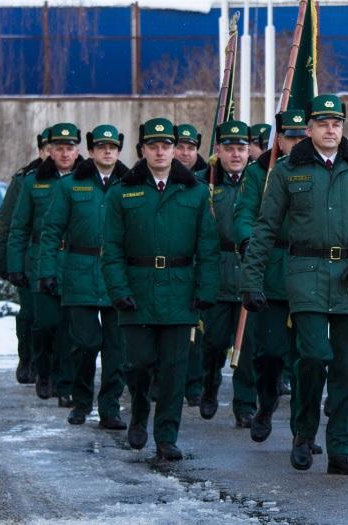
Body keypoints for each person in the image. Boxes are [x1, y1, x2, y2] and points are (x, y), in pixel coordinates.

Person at [239, 94, 348, 475]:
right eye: (322, 123)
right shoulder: (288, 171)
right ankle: (303, 433)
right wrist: (252, 282)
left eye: (336, 123)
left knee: (346, 368)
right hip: (305, 274)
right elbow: (265, 228)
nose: (330, 130)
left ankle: (341, 448)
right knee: (312, 357)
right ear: (309, 129)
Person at [102, 117, 219, 461]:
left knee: (173, 368)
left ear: (173, 150)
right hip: (137, 291)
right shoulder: (124, 191)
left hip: (179, 292)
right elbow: (111, 248)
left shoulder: (196, 192)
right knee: (137, 363)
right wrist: (118, 289)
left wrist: (205, 289)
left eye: (166, 146)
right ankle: (139, 407)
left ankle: (167, 435)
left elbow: (208, 247)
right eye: (153, 146)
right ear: (142, 150)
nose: (160, 151)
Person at [38, 125, 129, 429]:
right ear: (90, 151)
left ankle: (110, 406)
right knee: (85, 344)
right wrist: (47, 270)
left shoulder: (130, 185)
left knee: (117, 347)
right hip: (80, 272)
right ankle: (80, 401)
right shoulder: (71, 186)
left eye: (112, 147)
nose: (107, 151)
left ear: (119, 151)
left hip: (118, 276)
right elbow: (51, 231)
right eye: (101, 146)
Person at [234, 109, 309, 444]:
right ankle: (265, 404)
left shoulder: (322, 171)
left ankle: (302, 430)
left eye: (300, 137)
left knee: (308, 357)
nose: (295, 143)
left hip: (311, 270)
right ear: (279, 139)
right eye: (289, 137)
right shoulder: (260, 172)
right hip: (273, 268)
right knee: (270, 353)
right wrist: (250, 241)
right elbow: (244, 214)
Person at [7, 123, 81, 406]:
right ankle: (43, 370)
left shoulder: (86, 180)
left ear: (77, 150)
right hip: (40, 260)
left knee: (69, 328)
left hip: (74, 262)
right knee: (45, 324)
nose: (64, 153)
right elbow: (19, 227)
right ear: (49, 151)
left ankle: (65, 384)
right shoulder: (33, 181)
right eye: (58, 148)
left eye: (69, 148)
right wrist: (15, 265)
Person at [196, 120, 257, 428]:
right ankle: (209, 384)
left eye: (242, 149)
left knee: (246, 346)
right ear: (217, 150)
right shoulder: (203, 183)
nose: (236, 155)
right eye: (229, 148)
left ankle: (245, 405)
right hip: (217, 272)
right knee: (214, 341)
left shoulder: (260, 181)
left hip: (248, 271)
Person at [0, 127, 51, 384]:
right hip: (28, 257)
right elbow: (7, 223)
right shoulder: (25, 179)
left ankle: (53, 364)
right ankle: (28, 358)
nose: (52, 154)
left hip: (62, 259)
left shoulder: (78, 178)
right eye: (47, 149)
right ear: (40, 151)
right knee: (30, 314)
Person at [173, 123, 208, 405]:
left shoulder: (209, 179)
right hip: (173, 263)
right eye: (181, 147)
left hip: (197, 263)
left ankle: (195, 385)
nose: (185, 153)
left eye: (191, 148)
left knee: (197, 331)